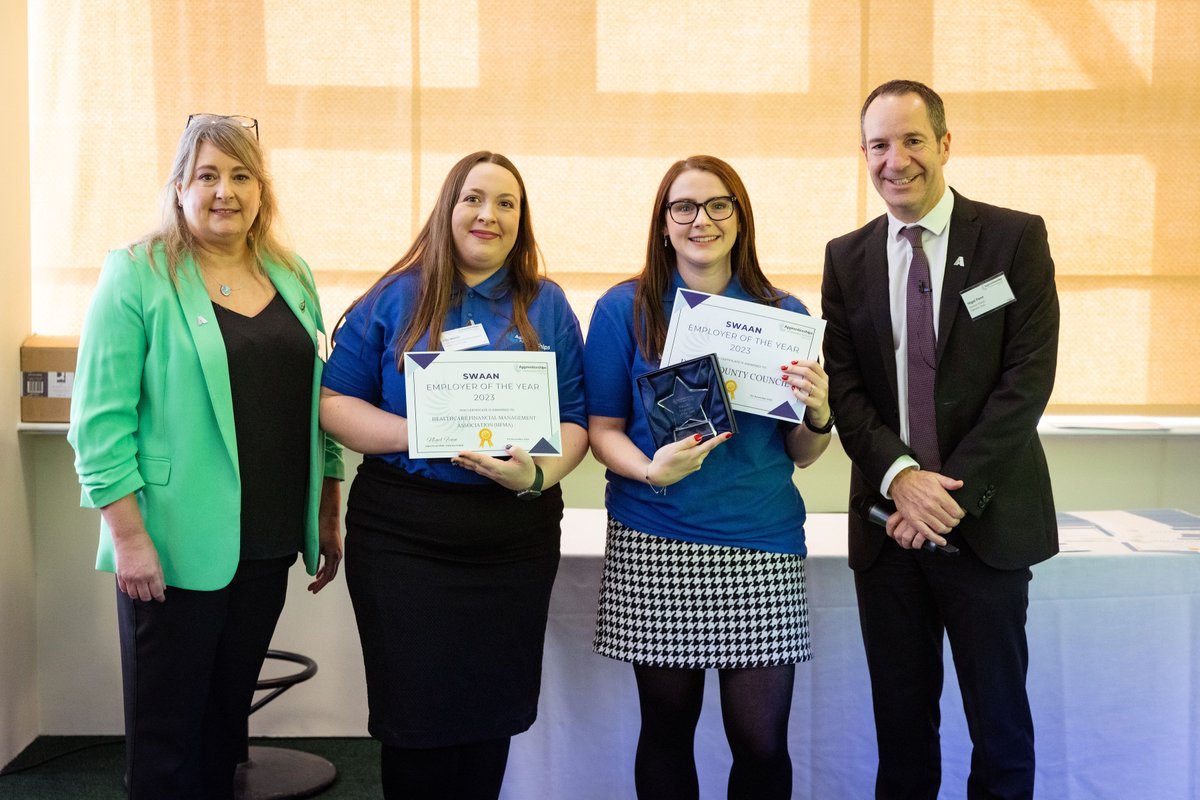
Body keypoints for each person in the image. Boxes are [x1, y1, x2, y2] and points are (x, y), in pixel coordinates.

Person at [67, 114, 344, 799]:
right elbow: (98, 425)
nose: (226, 191)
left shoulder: (292, 273)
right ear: (180, 188)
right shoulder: (137, 274)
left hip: (269, 537)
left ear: (261, 191)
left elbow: (321, 402)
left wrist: (329, 509)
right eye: (209, 175)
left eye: (242, 175)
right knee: (168, 740)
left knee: (225, 726)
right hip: (172, 545)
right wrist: (129, 539)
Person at [318, 151, 588, 800]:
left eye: (506, 203)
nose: (487, 215)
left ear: (522, 221)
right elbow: (334, 405)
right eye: (473, 198)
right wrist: (423, 432)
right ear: (448, 207)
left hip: (513, 542)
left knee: (488, 723)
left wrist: (536, 474)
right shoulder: (396, 296)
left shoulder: (546, 305)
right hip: (405, 539)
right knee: (417, 726)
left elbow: (575, 421)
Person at [821, 80, 1060, 799]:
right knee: (901, 741)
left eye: (913, 139)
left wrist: (945, 495)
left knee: (1002, 736)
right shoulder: (847, 257)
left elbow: (1027, 379)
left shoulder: (1014, 239)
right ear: (864, 155)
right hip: (888, 533)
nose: (897, 160)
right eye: (879, 145)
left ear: (946, 143)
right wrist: (901, 477)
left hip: (984, 524)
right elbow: (846, 387)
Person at [585, 155, 833, 799]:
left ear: (741, 218)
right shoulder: (624, 309)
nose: (702, 220)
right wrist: (649, 469)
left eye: (719, 205)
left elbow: (802, 452)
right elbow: (603, 428)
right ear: (664, 224)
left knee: (760, 741)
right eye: (684, 207)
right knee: (666, 728)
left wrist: (820, 412)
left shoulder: (783, 312)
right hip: (656, 536)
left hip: (762, 542)